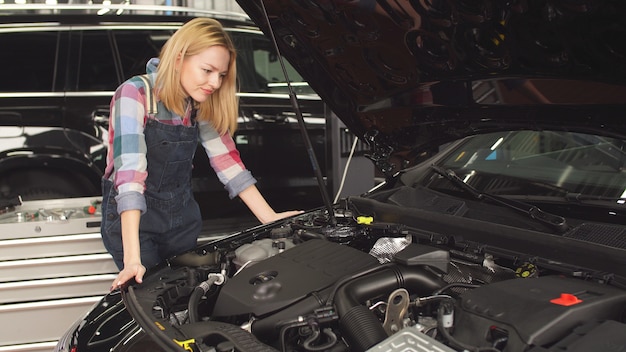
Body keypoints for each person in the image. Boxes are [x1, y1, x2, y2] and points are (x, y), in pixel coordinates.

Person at [101, 17, 302, 290]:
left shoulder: (198, 102)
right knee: (153, 297)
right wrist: (133, 259)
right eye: (207, 70)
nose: (215, 83)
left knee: (187, 295)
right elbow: (130, 176)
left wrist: (269, 218)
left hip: (181, 219)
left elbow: (228, 162)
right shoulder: (135, 94)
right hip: (135, 224)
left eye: (221, 75)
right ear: (178, 59)